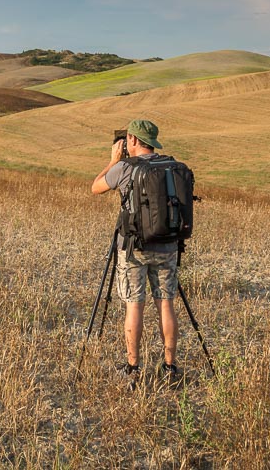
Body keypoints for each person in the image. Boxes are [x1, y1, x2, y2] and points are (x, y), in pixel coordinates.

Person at [90, 118, 182, 387]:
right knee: (166, 303)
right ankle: (170, 367)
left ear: (131, 140)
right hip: (167, 246)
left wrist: (113, 160)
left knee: (135, 305)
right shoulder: (171, 166)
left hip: (133, 248)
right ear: (152, 142)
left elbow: (95, 187)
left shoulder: (125, 168)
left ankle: (133, 367)